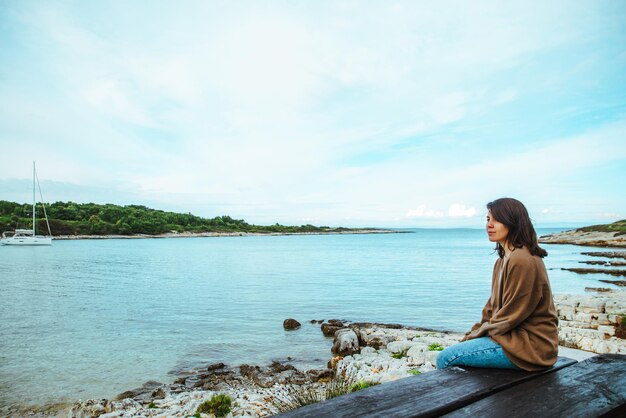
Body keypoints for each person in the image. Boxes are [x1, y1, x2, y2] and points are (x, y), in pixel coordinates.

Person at [436, 197, 559, 371]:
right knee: (459, 353)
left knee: (446, 358)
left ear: (513, 222)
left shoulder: (522, 259)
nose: (489, 225)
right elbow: (491, 310)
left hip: (531, 347)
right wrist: (473, 332)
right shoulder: (502, 261)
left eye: (497, 220)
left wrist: (477, 335)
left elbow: (511, 315)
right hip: (512, 339)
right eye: (488, 219)